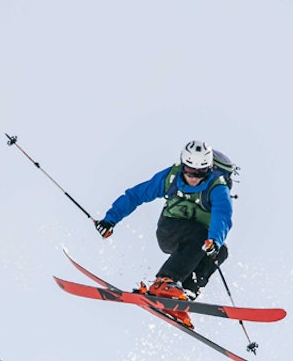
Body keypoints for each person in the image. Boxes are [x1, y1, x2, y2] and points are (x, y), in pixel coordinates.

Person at [94, 140, 232, 327]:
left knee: (221, 251)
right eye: (189, 171)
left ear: (209, 169)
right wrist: (110, 220)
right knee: (201, 234)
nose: (193, 177)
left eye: (200, 173)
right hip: (170, 231)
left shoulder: (217, 187)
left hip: (197, 242)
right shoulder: (171, 177)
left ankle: (184, 296)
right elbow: (136, 195)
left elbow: (222, 216)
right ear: (183, 165)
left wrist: (215, 242)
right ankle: (165, 282)